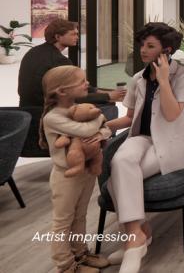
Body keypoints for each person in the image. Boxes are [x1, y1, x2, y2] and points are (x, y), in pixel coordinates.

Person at [104, 22, 184, 273]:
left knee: (116, 181)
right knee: (120, 162)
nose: (143, 51)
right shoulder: (138, 78)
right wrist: (102, 127)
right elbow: (129, 118)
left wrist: (164, 81)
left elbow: (171, 115)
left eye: (150, 46)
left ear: (166, 50)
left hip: (171, 143)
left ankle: (135, 240)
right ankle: (137, 235)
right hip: (142, 138)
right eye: (142, 45)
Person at [40, 65, 112, 273]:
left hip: (86, 171)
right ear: (61, 91)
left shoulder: (80, 109)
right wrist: (99, 119)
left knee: (80, 216)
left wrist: (102, 133)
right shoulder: (53, 117)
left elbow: (105, 130)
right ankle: (66, 266)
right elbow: (88, 128)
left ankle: (80, 254)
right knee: (63, 221)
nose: (87, 84)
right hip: (66, 176)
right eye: (81, 81)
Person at [18, 19, 126, 107]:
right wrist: (108, 96)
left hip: (26, 108)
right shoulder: (60, 61)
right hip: (46, 111)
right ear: (58, 37)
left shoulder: (34, 51)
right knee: (109, 105)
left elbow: (73, 87)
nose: (77, 37)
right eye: (73, 34)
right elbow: (74, 96)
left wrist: (100, 92)